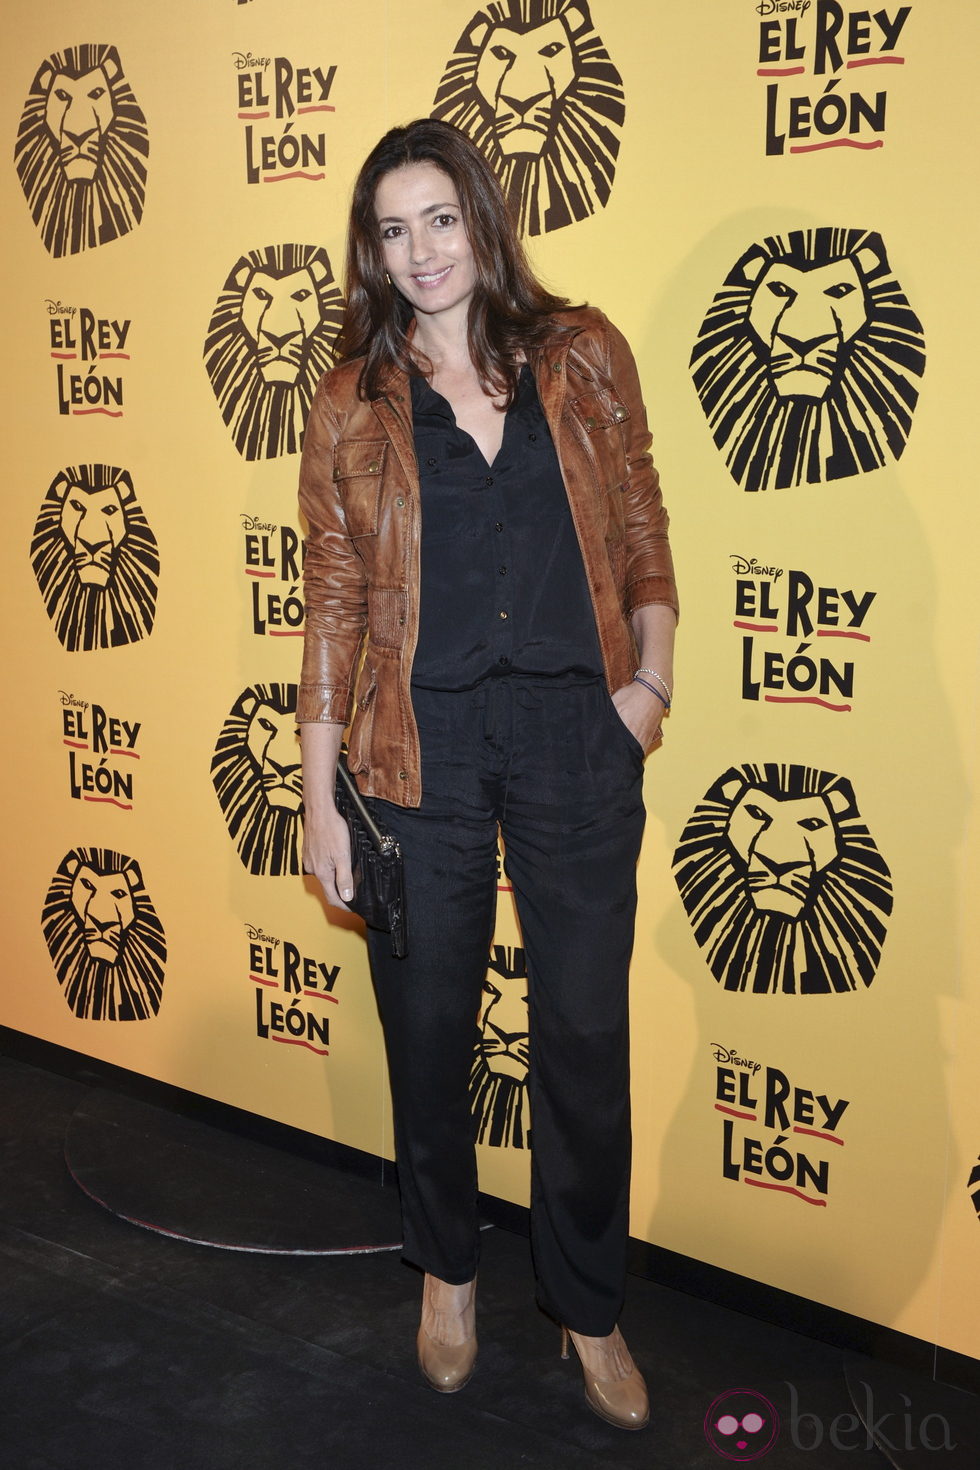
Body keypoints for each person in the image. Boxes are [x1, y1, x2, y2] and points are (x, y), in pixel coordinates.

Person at [297, 118, 677, 1432]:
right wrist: (317, 791)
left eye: (440, 218)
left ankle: (588, 1303)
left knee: (581, 1033)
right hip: (421, 748)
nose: (422, 251)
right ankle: (448, 1271)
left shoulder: (583, 354)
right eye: (394, 230)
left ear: (482, 218)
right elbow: (334, 599)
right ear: (373, 249)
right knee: (428, 1030)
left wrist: (649, 685)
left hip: (579, 732)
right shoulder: (350, 400)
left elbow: (638, 520)